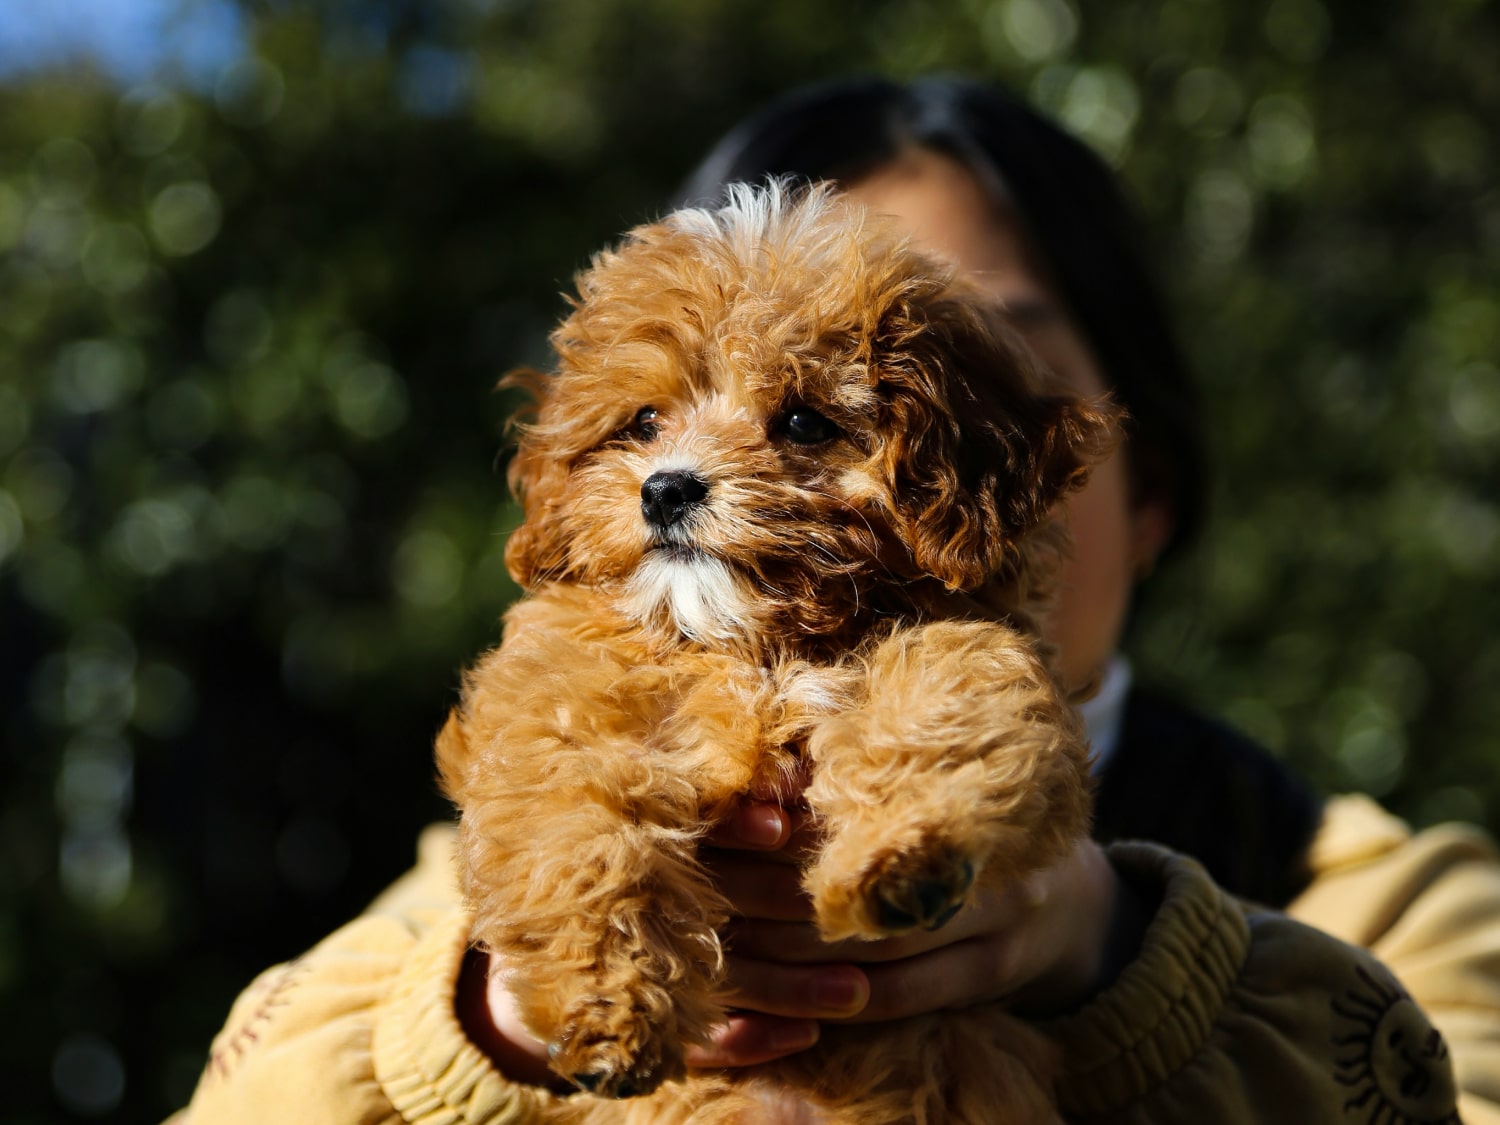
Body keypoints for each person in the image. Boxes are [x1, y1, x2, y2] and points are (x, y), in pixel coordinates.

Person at [168, 77, 1500, 1124]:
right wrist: (485, 1019)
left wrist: (1117, 956)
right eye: (649, 412)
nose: (685, 467)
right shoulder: (442, 896)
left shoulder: (1391, 898)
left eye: (814, 417)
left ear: (1136, 477)